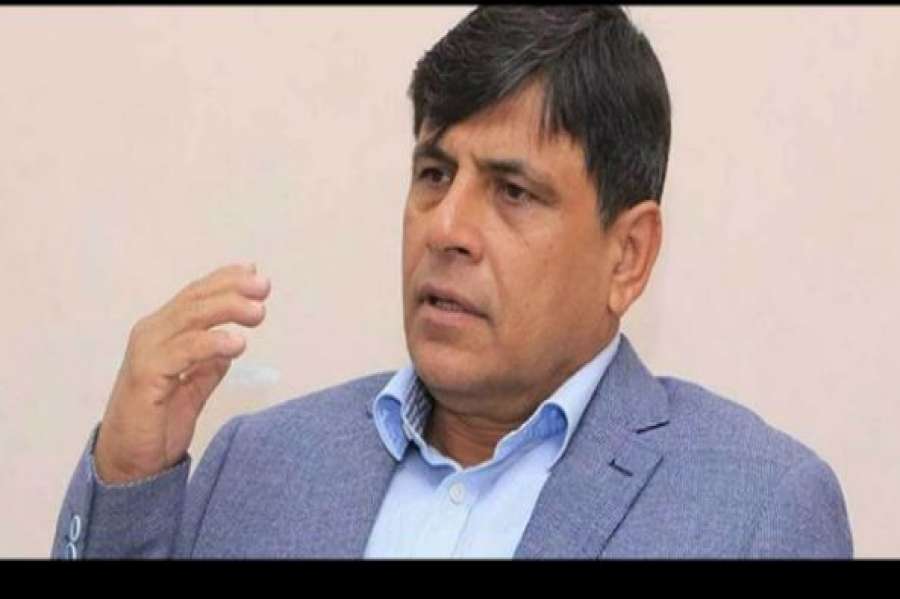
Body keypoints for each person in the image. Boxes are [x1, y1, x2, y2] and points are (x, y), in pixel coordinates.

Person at [51, 5, 852, 559]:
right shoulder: (258, 465)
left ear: (628, 256)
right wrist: (129, 479)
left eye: (513, 191)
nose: (446, 228)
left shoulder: (757, 510)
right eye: (434, 174)